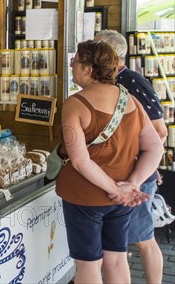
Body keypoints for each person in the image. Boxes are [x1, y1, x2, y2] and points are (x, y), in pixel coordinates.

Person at [56, 40, 164, 284]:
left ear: (88, 69)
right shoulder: (131, 101)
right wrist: (130, 185)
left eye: (75, 62)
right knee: (116, 258)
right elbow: (155, 146)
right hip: (122, 199)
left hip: (84, 197)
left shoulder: (76, 103)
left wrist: (116, 189)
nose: (72, 66)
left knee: (88, 265)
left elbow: (80, 161)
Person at [95, 29, 167, 284]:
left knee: (143, 239)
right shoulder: (110, 83)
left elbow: (160, 131)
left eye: (96, 48)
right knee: (119, 243)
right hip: (121, 176)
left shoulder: (132, 82)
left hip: (135, 178)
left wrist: (143, 168)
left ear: (110, 54)